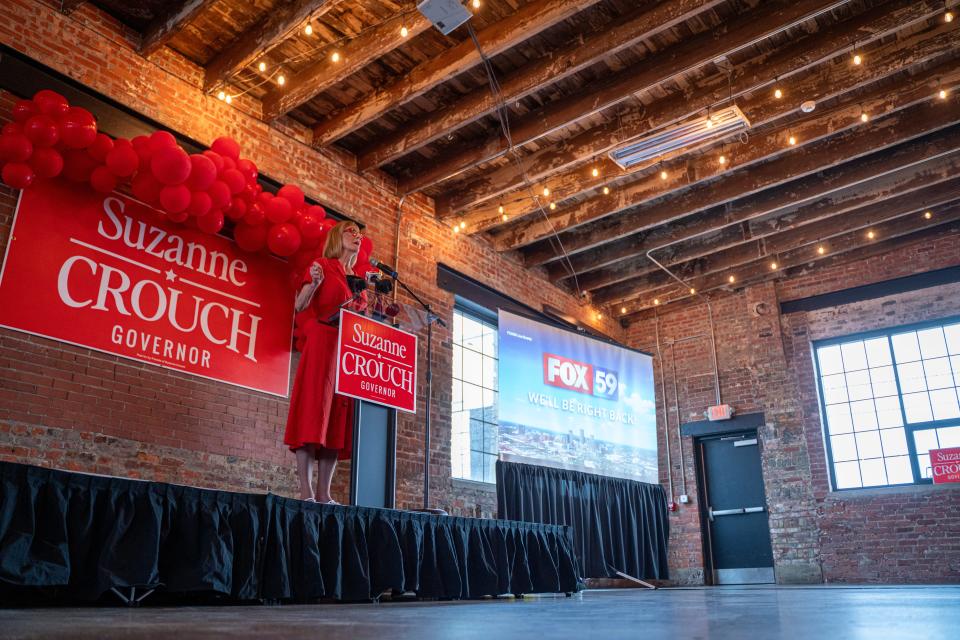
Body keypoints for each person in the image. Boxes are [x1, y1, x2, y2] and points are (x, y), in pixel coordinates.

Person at [284, 220, 366, 503]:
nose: (357, 236)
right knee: (313, 412)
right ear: (336, 237)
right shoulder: (323, 265)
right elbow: (299, 305)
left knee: (337, 417)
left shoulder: (358, 279)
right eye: (350, 231)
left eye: (359, 233)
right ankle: (306, 491)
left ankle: (324, 492)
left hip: (347, 351)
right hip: (322, 344)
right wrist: (315, 283)